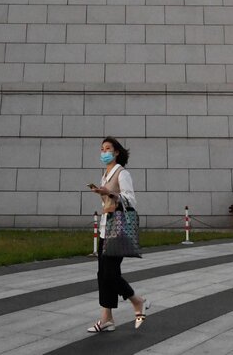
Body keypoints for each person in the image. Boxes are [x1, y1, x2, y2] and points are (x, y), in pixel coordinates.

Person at [87, 136, 149, 333]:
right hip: (105, 228)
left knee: (110, 274)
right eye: (102, 149)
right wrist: (102, 192)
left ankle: (137, 301)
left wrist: (111, 193)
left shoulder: (122, 173)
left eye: (108, 149)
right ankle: (107, 319)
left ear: (116, 152)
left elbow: (131, 200)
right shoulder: (105, 175)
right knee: (102, 274)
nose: (104, 152)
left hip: (118, 229)